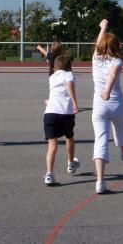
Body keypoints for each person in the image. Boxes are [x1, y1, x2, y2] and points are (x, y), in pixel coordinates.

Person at [91, 19, 123, 194]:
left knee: (101, 140)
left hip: (99, 105)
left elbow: (99, 43)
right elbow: (113, 74)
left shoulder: (95, 58)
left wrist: (103, 27)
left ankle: (100, 181)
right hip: (116, 104)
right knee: (120, 132)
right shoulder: (118, 62)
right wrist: (108, 90)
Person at [43, 55, 80, 186]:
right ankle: (70, 163)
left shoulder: (52, 77)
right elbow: (69, 85)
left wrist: (49, 101)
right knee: (69, 137)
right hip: (65, 113)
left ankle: (49, 174)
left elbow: (55, 93)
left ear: (55, 67)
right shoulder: (69, 75)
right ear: (70, 67)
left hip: (50, 112)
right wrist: (75, 103)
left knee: (52, 146)